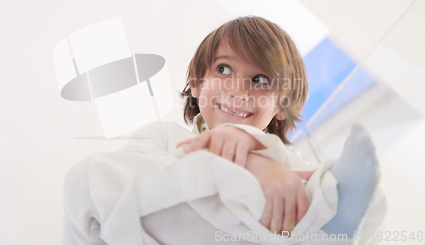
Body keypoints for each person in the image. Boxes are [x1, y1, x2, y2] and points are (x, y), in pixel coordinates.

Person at [62, 16, 387, 245]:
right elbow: (117, 188)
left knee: (341, 195)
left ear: (279, 107)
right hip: (146, 233)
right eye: (224, 68)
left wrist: (257, 153)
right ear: (197, 81)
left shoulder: (288, 162)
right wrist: (248, 162)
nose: (236, 90)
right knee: (89, 176)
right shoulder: (163, 136)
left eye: (260, 80)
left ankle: (329, 226)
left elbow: (368, 208)